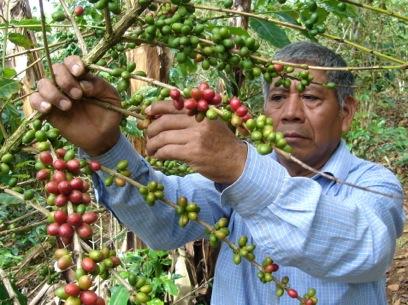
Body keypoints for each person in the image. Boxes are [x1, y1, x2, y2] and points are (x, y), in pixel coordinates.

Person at [30, 41, 405, 305]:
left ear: (347, 111)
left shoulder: (372, 185)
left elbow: (364, 248)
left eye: (310, 97)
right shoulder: (226, 187)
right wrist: (106, 148)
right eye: (277, 98)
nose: (290, 112)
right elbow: (164, 223)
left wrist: (239, 165)